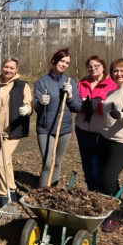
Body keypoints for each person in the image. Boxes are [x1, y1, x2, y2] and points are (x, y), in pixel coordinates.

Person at [96, 58, 123, 232]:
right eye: (116, 71)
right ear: (111, 74)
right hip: (105, 139)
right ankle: (109, 206)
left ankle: (115, 213)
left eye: (122, 71)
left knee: (108, 176)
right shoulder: (110, 93)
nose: (119, 74)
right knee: (104, 177)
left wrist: (119, 114)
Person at [33, 48, 81, 188]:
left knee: (57, 162)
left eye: (67, 62)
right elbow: (36, 106)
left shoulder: (70, 82)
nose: (64, 64)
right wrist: (40, 101)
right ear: (54, 61)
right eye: (62, 61)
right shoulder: (42, 82)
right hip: (45, 128)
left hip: (64, 128)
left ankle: (52, 193)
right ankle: (42, 193)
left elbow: (77, 107)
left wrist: (71, 96)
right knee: (48, 163)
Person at [0, 57, 32, 206]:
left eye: (12, 68)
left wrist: (27, 110)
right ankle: (11, 189)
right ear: (2, 68)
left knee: (1, 159)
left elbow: (29, 104)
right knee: (6, 162)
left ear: (16, 70)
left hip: (14, 129)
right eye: (6, 67)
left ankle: (1, 194)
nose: (8, 70)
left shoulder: (22, 86)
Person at [76, 55, 117, 190]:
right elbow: (75, 104)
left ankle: (105, 191)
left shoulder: (112, 84)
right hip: (83, 128)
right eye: (90, 66)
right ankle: (91, 189)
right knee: (87, 162)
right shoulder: (82, 83)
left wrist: (99, 106)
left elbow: (116, 106)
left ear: (103, 67)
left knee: (101, 162)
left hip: (102, 130)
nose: (93, 69)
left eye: (96, 66)